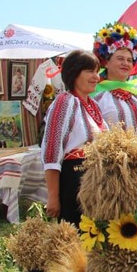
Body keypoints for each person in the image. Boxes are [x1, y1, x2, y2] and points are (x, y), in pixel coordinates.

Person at [41, 50, 106, 226]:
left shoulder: (93, 106)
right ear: (74, 73)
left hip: (94, 178)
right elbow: (52, 151)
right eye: (89, 71)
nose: (96, 77)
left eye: (97, 72)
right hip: (75, 178)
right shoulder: (65, 101)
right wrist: (53, 197)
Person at [91, 22, 137, 150]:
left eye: (129, 60)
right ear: (106, 63)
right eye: (120, 58)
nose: (125, 63)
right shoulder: (96, 96)